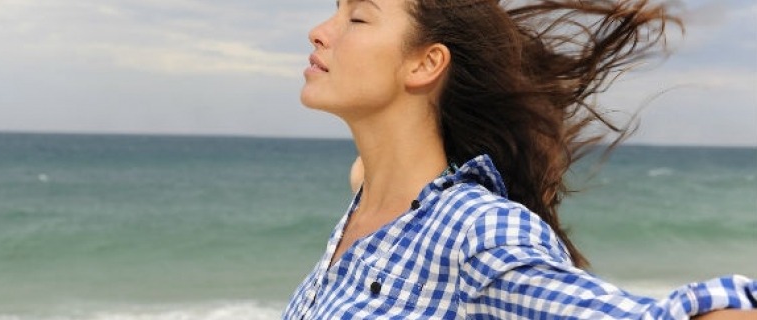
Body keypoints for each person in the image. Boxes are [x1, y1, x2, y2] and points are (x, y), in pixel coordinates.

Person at [283, 0, 757, 319]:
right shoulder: (372, 207)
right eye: (335, 9)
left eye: (358, 18)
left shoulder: (474, 231)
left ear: (425, 64)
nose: (320, 32)